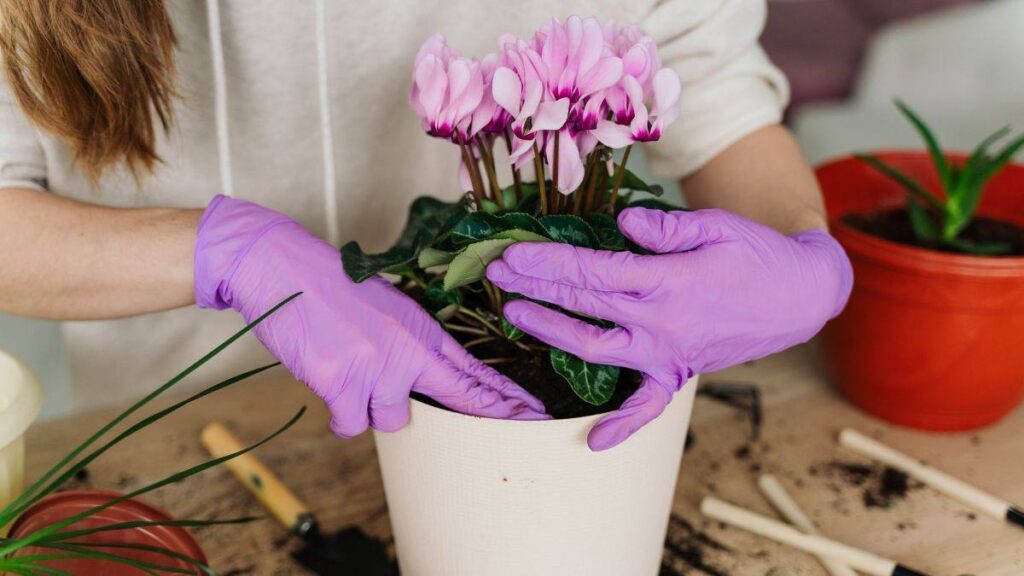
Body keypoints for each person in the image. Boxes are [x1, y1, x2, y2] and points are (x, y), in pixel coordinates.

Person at [0, 1, 850, 450]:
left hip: (487, 439)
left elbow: (716, 93)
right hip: (176, 432)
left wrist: (805, 256)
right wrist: (224, 253)